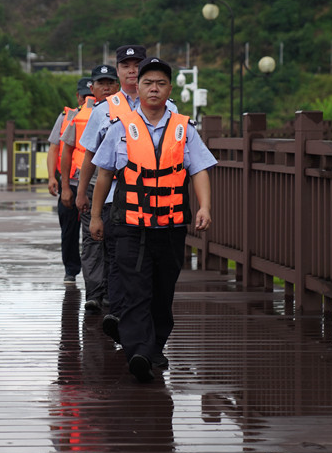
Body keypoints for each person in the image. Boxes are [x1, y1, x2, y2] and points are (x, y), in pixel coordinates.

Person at [90, 57, 216, 383]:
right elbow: (104, 176)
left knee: (162, 290)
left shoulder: (184, 129)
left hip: (171, 225)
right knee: (135, 288)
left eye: (160, 83)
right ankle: (138, 352)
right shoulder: (120, 129)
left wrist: (204, 207)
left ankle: (155, 345)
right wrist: (94, 216)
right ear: (137, 87)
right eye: (148, 83)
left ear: (169, 89)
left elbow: (199, 170)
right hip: (130, 224)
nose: (154, 88)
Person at [76, 46, 177, 343]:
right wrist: (82, 193)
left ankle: (135, 321)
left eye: (137, 65)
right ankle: (120, 316)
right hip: (113, 198)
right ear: (118, 71)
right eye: (125, 65)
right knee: (119, 258)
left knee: (150, 265)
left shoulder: (168, 109)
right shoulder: (103, 110)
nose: (131, 70)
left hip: (157, 200)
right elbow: (90, 157)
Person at [59, 65, 118, 313]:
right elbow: (67, 151)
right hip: (92, 186)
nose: (105, 87)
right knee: (92, 240)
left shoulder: (132, 112)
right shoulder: (79, 116)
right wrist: (70, 188)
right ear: (91, 88)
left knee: (115, 241)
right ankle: (94, 293)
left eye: (109, 83)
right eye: (100, 83)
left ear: (117, 85)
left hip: (123, 190)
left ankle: (111, 292)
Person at [46, 77, 91, 284]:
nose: (86, 100)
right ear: (77, 96)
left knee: (94, 231)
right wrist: (52, 178)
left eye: (90, 96)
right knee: (69, 229)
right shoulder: (67, 117)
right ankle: (71, 270)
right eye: (84, 96)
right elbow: (54, 148)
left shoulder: (105, 115)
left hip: (94, 184)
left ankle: (95, 275)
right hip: (70, 182)